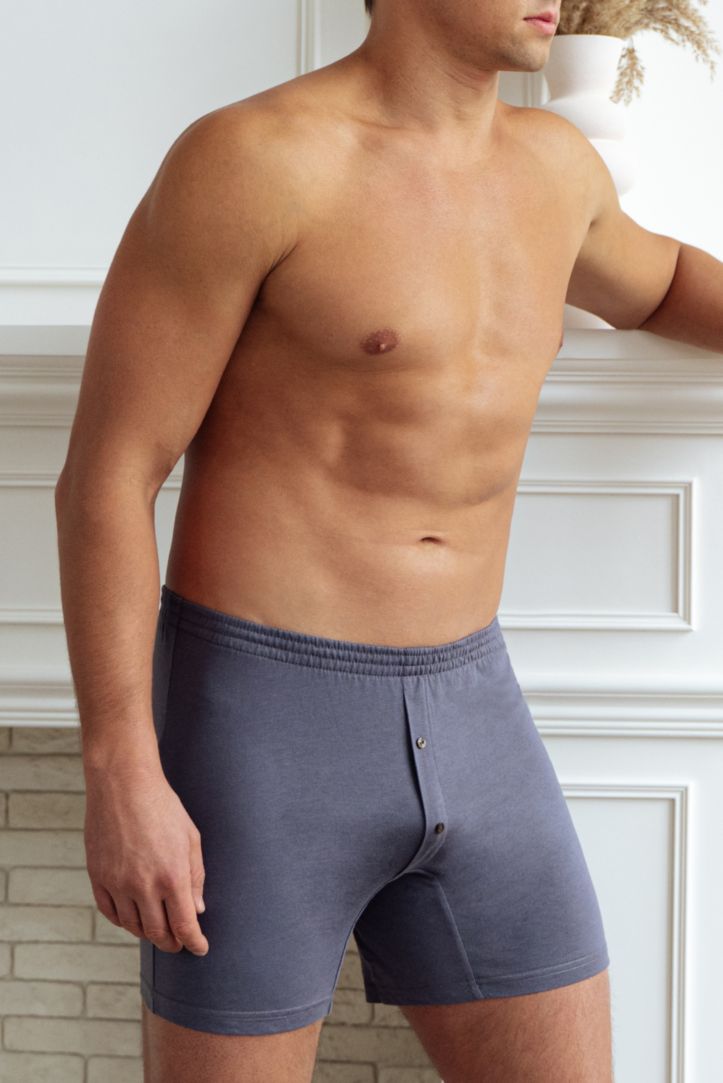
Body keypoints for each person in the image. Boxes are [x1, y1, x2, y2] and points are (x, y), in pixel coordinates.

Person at [54, 1, 723, 1081]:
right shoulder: (254, 160)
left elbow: (665, 285)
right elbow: (109, 476)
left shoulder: (558, 169)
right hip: (263, 731)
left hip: (478, 713)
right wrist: (120, 768)